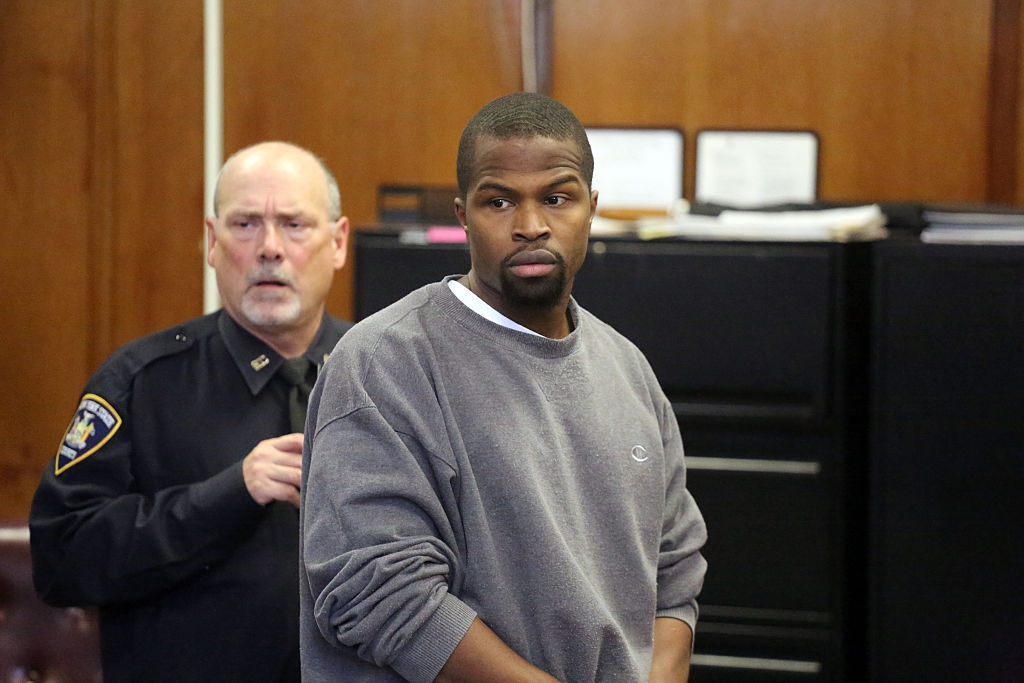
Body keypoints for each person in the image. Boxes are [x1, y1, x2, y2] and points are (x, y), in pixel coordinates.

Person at [300, 92, 708, 682]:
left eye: (557, 198)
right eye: (499, 202)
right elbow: (381, 592)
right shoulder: (383, 363)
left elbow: (674, 575)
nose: (531, 226)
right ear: (463, 213)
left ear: (591, 208)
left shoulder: (629, 371)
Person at [30, 141, 352, 682]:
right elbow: (63, 560)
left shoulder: (386, 376)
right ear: (212, 240)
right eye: (246, 224)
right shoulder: (141, 381)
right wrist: (226, 495)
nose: (269, 248)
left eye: (294, 225)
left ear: (338, 242)